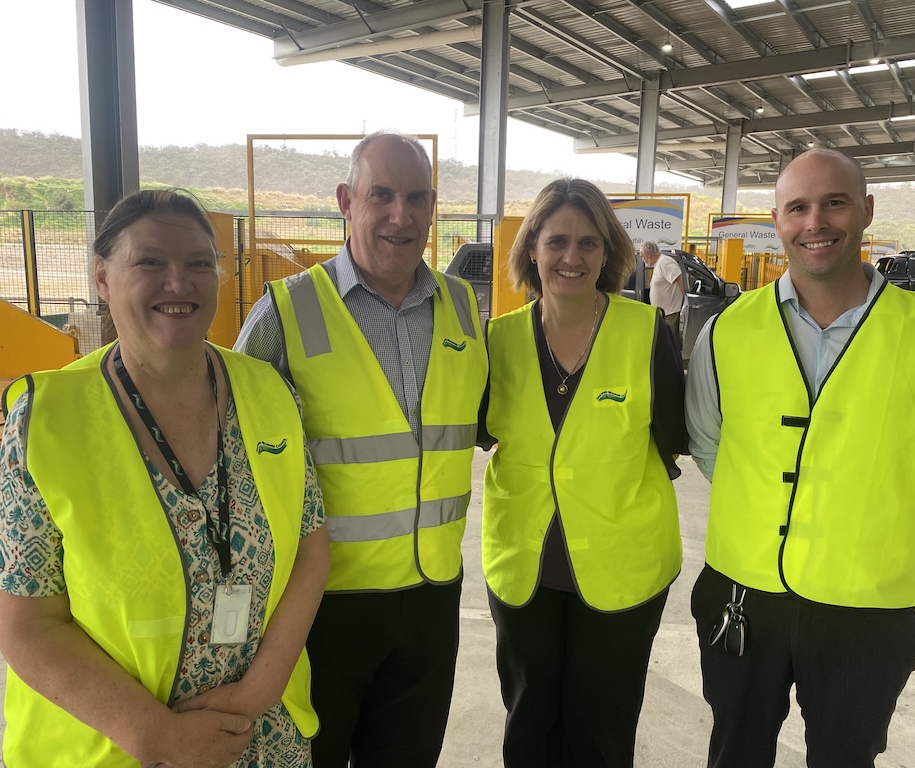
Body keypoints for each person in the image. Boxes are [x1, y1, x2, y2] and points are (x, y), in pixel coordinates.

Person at [0, 189, 331, 767]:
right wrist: (157, 734)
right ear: (101, 279)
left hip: (258, 737)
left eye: (199, 263)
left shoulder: (269, 392)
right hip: (119, 748)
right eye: (150, 262)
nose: (180, 281)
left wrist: (258, 692)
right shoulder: (49, 418)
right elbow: (24, 624)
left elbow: (311, 549)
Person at [685, 147, 915, 768]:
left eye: (834, 203)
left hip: (866, 609)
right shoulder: (728, 330)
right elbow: (710, 445)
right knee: (734, 751)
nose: (815, 222)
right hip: (745, 595)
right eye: (798, 208)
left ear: (866, 211)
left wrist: (869, 525)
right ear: (778, 220)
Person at [234, 131, 488, 768]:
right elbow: (231, 450)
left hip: (432, 597)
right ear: (347, 200)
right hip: (323, 605)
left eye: (417, 197)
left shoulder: (462, 309)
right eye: (382, 195)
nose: (400, 215)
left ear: (433, 207)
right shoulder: (285, 312)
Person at [480, 178, 687, 767]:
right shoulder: (499, 340)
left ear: (609, 252)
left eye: (589, 243)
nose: (572, 257)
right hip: (525, 565)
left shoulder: (646, 334)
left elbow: (673, 438)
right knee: (529, 717)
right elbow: (482, 429)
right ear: (532, 251)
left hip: (625, 564)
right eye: (557, 242)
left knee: (602, 725)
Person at [640, 240, 684, 345]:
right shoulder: (659, 263)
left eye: (642, 256)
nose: (642, 259)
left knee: (670, 343)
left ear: (649, 254)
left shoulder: (665, 262)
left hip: (671, 312)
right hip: (665, 312)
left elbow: (679, 278)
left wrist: (685, 301)